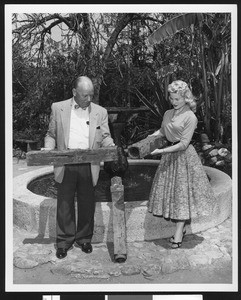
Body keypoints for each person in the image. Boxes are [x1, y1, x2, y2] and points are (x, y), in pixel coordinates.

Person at [42, 76, 115, 259]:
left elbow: (105, 136)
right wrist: (48, 149)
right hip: (65, 162)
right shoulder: (57, 108)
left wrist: (112, 148)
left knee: (87, 204)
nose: (89, 99)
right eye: (85, 95)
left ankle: (84, 239)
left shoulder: (101, 111)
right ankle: (64, 242)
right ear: (74, 93)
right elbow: (51, 134)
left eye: (91, 95)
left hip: (89, 163)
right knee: (64, 204)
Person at [148, 80, 215, 249]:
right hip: (168, 157)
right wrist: (151, 138)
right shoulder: (167, 113)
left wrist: (161, 152)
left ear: (186, 98)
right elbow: (163, 131)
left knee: (181, 197)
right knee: (172, 195)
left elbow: (184, 143)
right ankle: (182, 227)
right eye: (171, 98)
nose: (174, 102)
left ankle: (178, 232)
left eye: (177, 99)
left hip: (184, 158)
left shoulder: (191, 117)